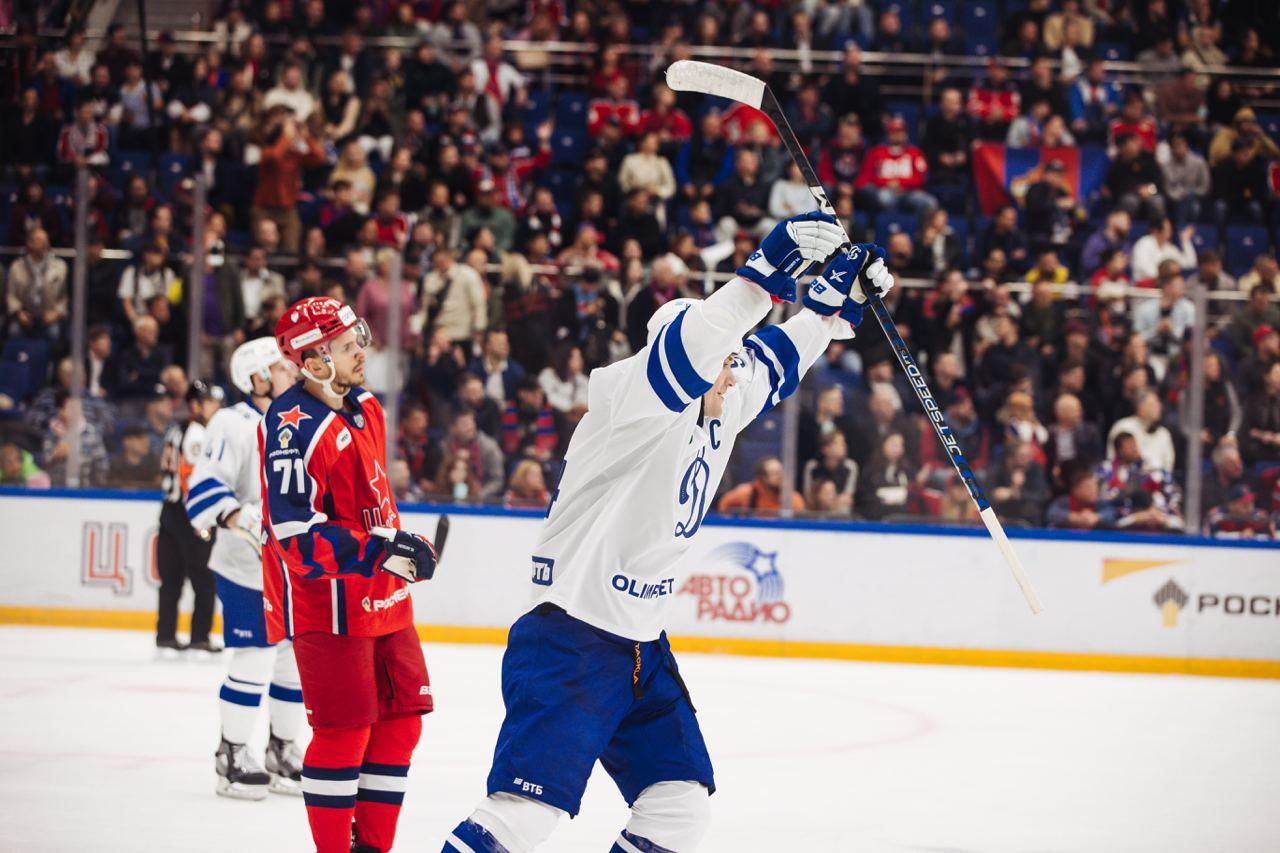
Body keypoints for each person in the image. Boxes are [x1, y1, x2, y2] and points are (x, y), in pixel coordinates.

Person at [440, 213, 882, 853]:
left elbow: (773, 361)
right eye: (723, 359)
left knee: (678, 806)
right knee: (522, 817)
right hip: (573, 637)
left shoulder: (719, 400)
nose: (733, 373)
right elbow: (697, 347)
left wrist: (834, 305)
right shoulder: (630, 397)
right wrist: (762, 276)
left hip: (641, 647)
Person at [262, 297, 441, 853]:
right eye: (345, 347)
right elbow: (295, 538)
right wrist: (380, 552)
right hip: (331, 608)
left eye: (356, 338)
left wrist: (402, 546)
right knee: (344, 734)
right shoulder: (293, 429)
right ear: (314, 361)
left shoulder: (366, 405)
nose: (360, 351)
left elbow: (370, 505)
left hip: (385, 600)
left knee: (403, 721)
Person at [185, 339, 305, 800]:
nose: (293, 371)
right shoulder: (231, 423)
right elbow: (204, 488)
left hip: (293, 569)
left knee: (293, 660)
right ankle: (232, 754)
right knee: (255, 655)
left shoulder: (298, 421)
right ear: (257, 378)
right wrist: (239, 517)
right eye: (281, 367)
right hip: (246, 566)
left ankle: (282, 748)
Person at [156, 380, 224, 657]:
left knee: (171, 579)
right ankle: (199, 638)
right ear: (196, 405)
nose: (216, 407)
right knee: (204, 579)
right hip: (190, 513)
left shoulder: (177, 428)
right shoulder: (198, 433)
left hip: (169, 511)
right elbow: (191, 478)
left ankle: (165, 635)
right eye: (210, 401)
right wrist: (203, 518)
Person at [718, 455, 807, 515]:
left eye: (781, 473)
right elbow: (723, 507)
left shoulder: (793, 499)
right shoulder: (745, 493)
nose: (781, 478)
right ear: (762, 478)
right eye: (775, 474)